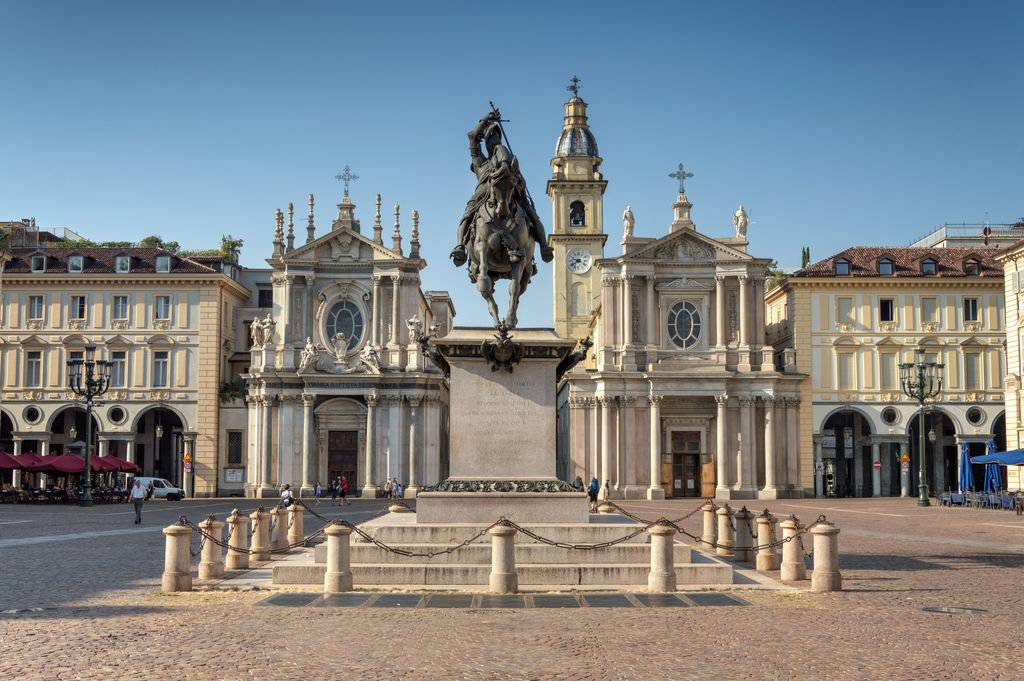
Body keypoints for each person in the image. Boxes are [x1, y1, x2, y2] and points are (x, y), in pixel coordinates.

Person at [450, 109, 553, 267]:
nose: (494, 140)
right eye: (491, 138)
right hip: (483, 194)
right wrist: (485, 120)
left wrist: (516, 181)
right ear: (486, 143)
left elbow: (521, 180)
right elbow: (472, 137)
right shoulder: (480, 162)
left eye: (496, 137)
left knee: (532, 215)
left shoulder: (509, 158)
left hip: (511, 191)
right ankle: (460, 247)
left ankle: (543, 245)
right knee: (468, 214)